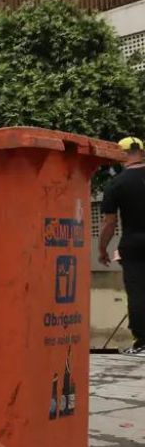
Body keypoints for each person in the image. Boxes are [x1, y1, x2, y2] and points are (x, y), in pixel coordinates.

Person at [98, 136, 145, 357]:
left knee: (137, 292)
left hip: (133, 245)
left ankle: (142, 342)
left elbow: (110, 222)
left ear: (122, 154)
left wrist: (102, 248)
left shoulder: (116, 184)